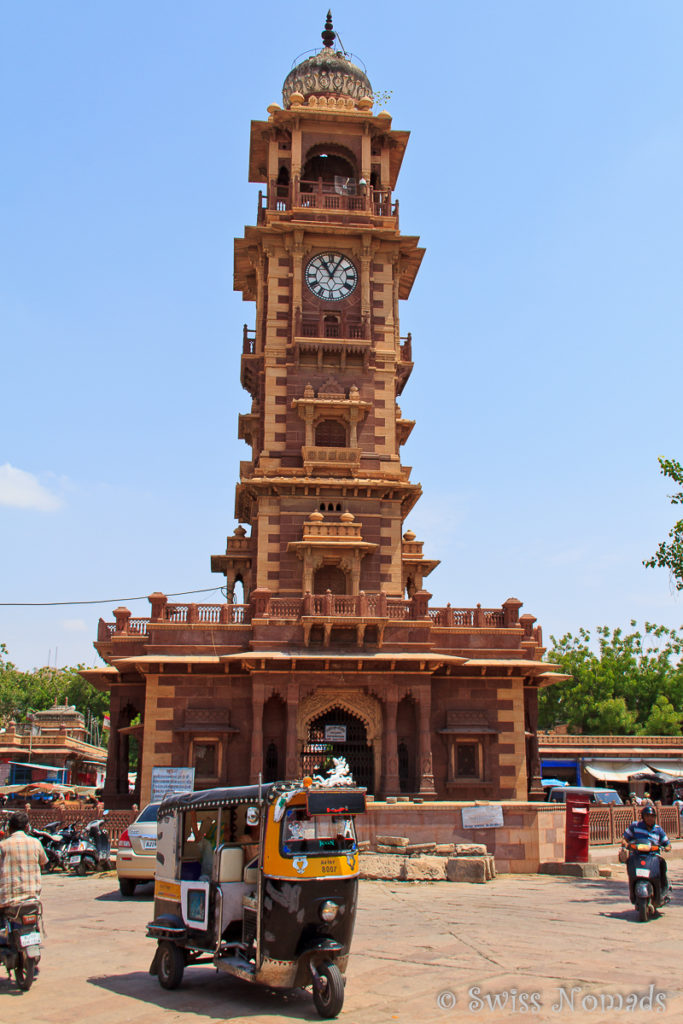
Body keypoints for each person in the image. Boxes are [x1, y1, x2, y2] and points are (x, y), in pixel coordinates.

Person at [0, 811, 48, 912]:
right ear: (27, 827)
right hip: (32, 899)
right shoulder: (36, 843)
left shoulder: (3, 845)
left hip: (8, 901)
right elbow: (43, 864)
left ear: (9, 828)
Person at [621, 804, 672, 893]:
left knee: (662, 864)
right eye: (647, 816)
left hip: (653, 856)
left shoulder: (658, 830)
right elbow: (625, 838)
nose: (649, 818)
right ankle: (633, 887)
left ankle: (664, 888)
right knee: (630, 862)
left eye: (652, 816)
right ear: (643, 817)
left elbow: (667, 844)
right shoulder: (635, 826)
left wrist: (666, 848)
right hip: (637, 855)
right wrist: (625, 844)